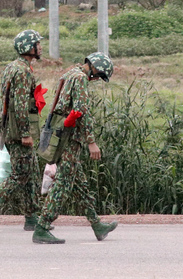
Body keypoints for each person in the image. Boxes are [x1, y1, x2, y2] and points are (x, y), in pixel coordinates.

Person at [32, 52, 118, 244]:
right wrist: (91, 141)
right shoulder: (80, 79)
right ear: (94, 67)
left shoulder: (70, 73)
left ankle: (97, 224)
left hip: (61, 134)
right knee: (63, 184)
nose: (96, 79)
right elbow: (81, 111)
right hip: (70, 139)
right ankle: (42, 227)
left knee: (80, 184)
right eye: (99, 74)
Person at [0, 30, 44, 232]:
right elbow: (20, 105)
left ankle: (32, 218)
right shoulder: (22, 71)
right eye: (37, 44)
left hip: (12, 129)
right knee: (20, 175)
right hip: (18, 132)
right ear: (28, 48)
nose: (40, 47)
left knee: (30, 173)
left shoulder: (13, 67)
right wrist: (25, 133)